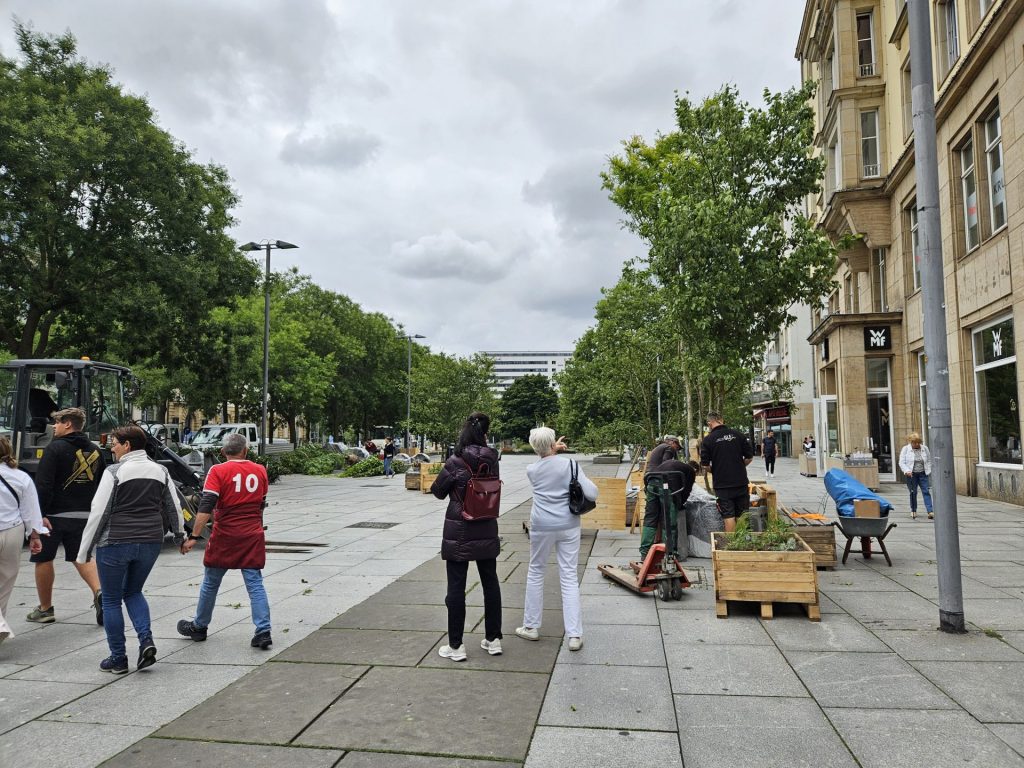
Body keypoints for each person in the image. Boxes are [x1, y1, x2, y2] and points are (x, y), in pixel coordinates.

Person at [78, 425, 184, 673]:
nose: (111, 447)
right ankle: (146, 640)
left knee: (112, 600)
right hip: (150, 542)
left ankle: (118, 658)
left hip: (115, 542)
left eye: (114, 443)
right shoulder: (161, 471)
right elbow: (173, 506)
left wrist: (85, 551)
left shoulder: (114, 471)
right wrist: (180, 535)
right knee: (134, 592)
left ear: (127, 446)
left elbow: (99, 512)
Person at [177, 433, 272, 649]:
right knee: (255, 583)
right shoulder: (260, 471)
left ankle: (199, 627)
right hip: (251, 534)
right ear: (246, 451)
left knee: (211, 581)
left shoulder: (217, 471)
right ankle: (263, 631)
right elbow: (261, 505)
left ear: (222, 452)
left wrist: (193, 536)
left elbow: (206, 505)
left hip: (225, 534)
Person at [517, 428, 597, 652]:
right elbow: (593, 493)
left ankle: (531, 626)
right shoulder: (570, 465)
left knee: (536, 571)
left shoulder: (531, 470)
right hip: (568, 524)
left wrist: (548, 449)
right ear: (554, 444)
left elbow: (544, 460)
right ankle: (574, 635)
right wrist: (557, 451)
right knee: (569, 576)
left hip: (541, 525)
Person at [430, 412, 502, 661]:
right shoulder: (493, 459)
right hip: (486, 525)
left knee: (456, 588)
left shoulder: (456, 461)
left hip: (459, 529)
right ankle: (493, 640)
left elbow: (438, 491)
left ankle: (456, 645)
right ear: (484, 434)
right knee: (490, 583)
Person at [28, 407, 105, 625]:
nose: (54, 426)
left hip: (53, 515)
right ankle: (100, 593)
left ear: (68, 424)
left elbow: (44, 485)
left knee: (43, 558)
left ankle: (45, 609)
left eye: (58, 422)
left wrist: (39, 515)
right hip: (84, 514)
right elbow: (101, 483)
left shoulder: (54, 449)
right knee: (82, 556)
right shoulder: (95, 450)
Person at [0, 437, 47, 645]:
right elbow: (30, 510)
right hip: (13, 532)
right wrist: (34, 535)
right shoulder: (21, 477)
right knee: (4, 585)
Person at [700, 411, 753, 533]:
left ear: (709, 423)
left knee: (728, 516)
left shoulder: (708, 440)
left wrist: (717, 470)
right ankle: (744, 544)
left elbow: (705, 465)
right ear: (721, 419)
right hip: (740, 482)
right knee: (743, 515)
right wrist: (738, 466)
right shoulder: (738, 435)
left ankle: (732, 547)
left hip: (722, 485)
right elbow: (749, 457)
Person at [640, 459, 699, 559]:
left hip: (651, 482)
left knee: (650, 518)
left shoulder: (675, 464)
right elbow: (686, 490)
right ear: (695, 469)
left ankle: (644, 552)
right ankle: (670, 553)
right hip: (667, 486)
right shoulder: (691, 471)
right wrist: (679, 504)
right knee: (669, 521)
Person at [898, 432, 933, 520]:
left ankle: (930, 511)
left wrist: (928, 470)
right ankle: (913, 510)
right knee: (913, 492)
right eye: (914, 443)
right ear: (911, 442)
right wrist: (906, 471)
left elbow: (929, 460)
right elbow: (902, 462)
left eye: (918, 442)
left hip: (923, 474)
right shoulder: (905, 449)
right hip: (911, 475)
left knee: (926, 491)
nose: (917, 444)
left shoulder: (925, 448)